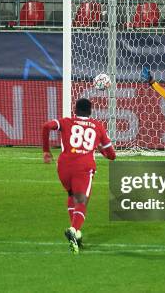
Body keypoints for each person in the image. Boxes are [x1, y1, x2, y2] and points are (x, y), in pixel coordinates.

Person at [42, 98, 116, 254]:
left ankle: (76, 235)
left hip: (64, 167)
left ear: (75, 110)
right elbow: (112, 156)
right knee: (81, 201)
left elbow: (46, 126)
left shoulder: (66, 121)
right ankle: (73, 229)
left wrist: (46, 151)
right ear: (90, 111)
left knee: (71, 195)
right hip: (83, 168)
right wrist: (101, 150)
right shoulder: (97, 126)